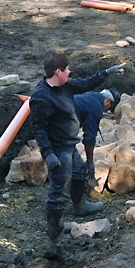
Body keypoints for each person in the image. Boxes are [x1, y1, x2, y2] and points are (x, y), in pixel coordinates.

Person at [30, 53, 125, 240]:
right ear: (58, 72)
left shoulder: (65, 86)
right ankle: (54, 235)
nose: (70, 71)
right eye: (66, 69)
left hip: (69, 145)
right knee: (58, 193)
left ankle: (80, 206)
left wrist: (105, 73)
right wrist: (48, 154)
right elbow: (38, 128)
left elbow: (86, 83)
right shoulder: (41, 97)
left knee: (79, 171)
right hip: (58, 150)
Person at [74, 87, 120, 183]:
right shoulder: (96, 107)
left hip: (54, 122)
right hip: (60, 131)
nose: (107, 111)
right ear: (107, 101)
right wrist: (90, 161)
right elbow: (89, 137)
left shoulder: (90, 95)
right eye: (110, 108)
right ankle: (73, 196)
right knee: (79, 170)